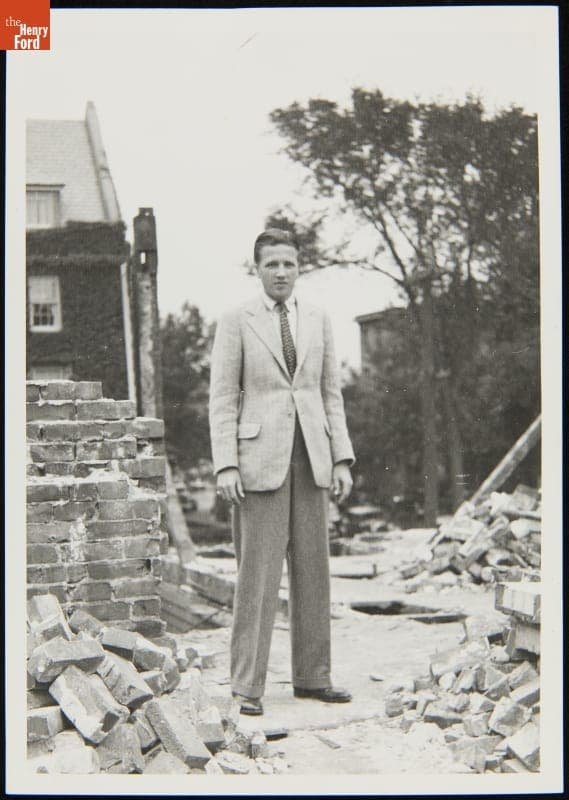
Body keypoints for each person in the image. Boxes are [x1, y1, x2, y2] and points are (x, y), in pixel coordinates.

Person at [209, 228, 355, 716]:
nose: (281, 273)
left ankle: (314, 677)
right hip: (258, 462)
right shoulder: (237, 320)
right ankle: (246, 686)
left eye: (289, 264)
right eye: (272, 264)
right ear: (258, 268)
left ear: (299, 268)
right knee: (259, 575)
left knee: (314, 571)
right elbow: (224, 398)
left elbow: (329, 394)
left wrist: (340, 457)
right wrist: (226, 463)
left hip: (311, 456)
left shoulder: (317, 319)